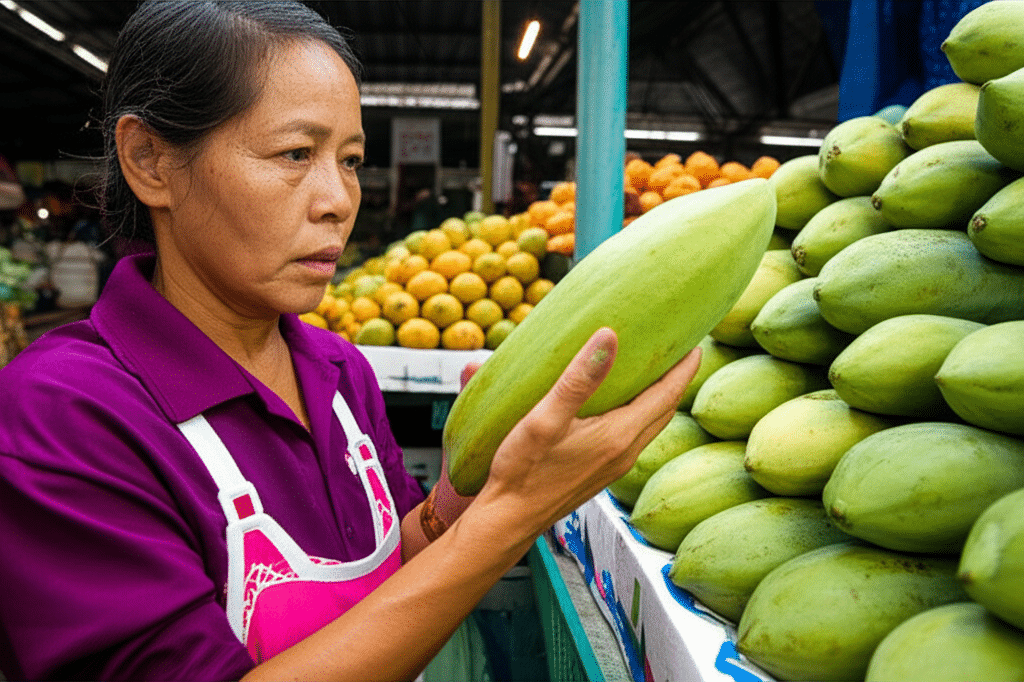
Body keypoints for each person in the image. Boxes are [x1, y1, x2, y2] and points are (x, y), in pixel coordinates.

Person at [0, 2, 701, 680]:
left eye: (352, 160)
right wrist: (512, 516)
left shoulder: (338, 371)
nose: (338, 200)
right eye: (295, 153)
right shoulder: (63, 412)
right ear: (150, 160)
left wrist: (467, 500)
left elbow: (395, 564)